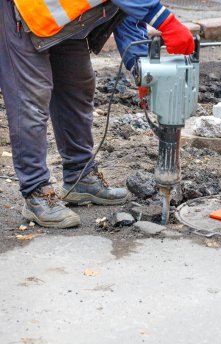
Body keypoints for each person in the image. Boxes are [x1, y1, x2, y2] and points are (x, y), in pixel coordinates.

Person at [0, 0, 194, 228]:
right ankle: (35, 191)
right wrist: (165, 20)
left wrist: (142, 69)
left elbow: (129, 15)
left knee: (78, 87)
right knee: (31, 101)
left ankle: (80, 176)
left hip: (68, 19)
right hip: (25, 13)